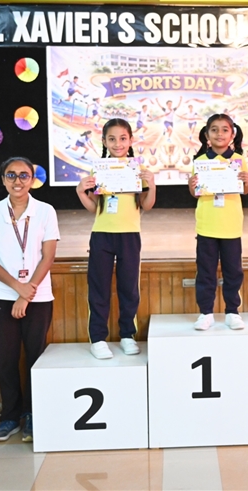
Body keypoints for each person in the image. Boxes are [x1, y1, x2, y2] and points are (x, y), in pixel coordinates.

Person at [0, 157, 60, 442]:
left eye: (24, 175)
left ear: (32, 180)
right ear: (3, 180)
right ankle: (10, 417)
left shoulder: (45, 211)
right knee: (6, 360)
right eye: (11, 175)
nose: (17, 181)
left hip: (38, 296)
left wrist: (28, 292)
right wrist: (17, 288)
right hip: (2, 295)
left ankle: (33, 415)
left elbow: (48, 256)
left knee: (35, 357)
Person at [76, 119, 156, 359]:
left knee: (129, 288)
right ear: (104, 141)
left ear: (131, 140)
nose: (117, 143)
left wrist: (152, 185)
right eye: (112, 139)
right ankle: (98, 338)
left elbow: (146, 205)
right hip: (102, 235)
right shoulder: (99, 170)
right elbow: (95, 208)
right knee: (98, 288)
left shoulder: (138, 170)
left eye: (122, 138)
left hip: (129, 235)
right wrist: (81, 192)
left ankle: (127, 335)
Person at [189, 113, 248, 331]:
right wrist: (192, 185)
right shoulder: (200, 162)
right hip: (206, 225)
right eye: (214, 130)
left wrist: (247, 181)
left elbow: (245, 190)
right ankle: (206, 312)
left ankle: (232, 311)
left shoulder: (238, 160)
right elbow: (195, 193)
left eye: (225, 130)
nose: (219, 134)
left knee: (233, 271)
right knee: (205, 271)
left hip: (231, 226)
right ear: (207, 134)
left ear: (232, 134)